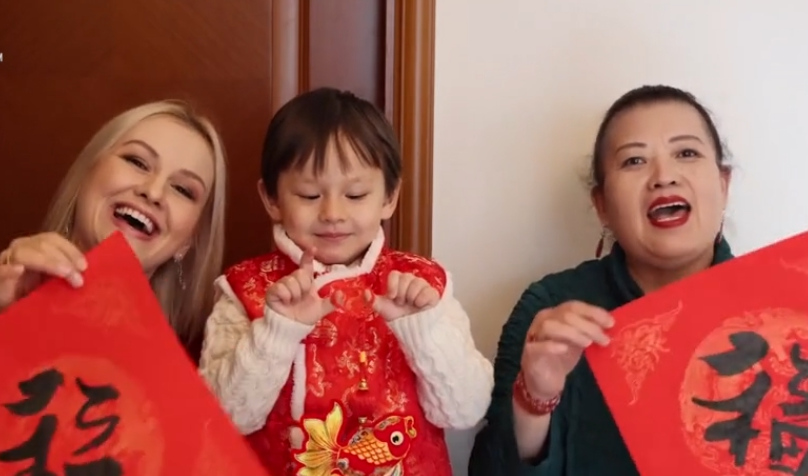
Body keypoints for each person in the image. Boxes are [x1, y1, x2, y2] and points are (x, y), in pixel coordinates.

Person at [198, 87, 493, 475]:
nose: (333, 213)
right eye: (309, 195)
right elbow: (223, 419)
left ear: (389, 197)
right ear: (271, 198)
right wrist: (276, 332)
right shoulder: (246, 289)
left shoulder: (423, 285)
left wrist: (423, 331)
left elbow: (466, 411)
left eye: (355, 195)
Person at [468, 85, 733, 476]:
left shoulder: (786, 306)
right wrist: (534, 400)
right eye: (634, 160)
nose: (664, 177)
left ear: (723, 185)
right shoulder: (550, 308)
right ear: (602, 205)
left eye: (686, 153)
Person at [0, 100, 228, 362]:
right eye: (137, 162)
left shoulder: (189, 369)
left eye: (182, 189)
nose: (153, 192)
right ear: (87, 172)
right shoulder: (8, 291)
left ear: (190, 239)